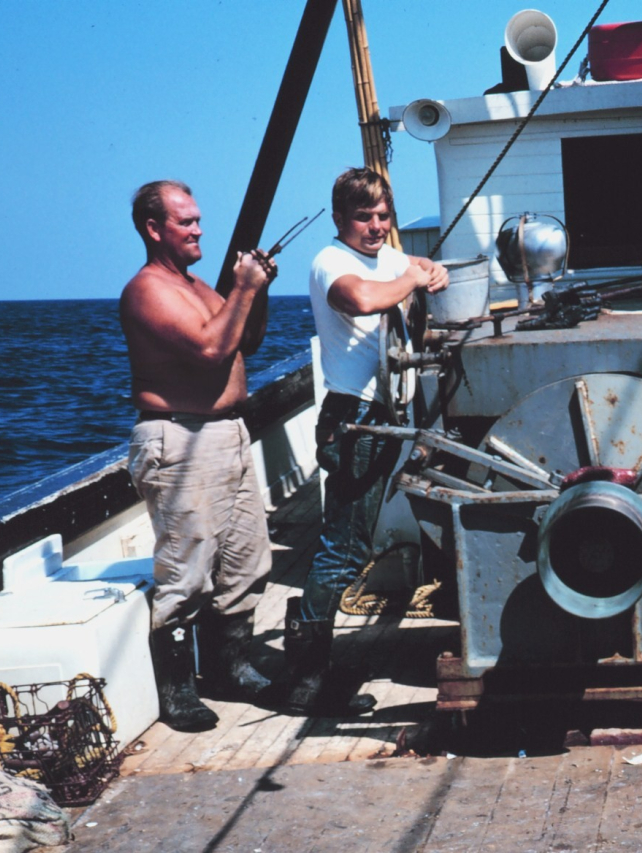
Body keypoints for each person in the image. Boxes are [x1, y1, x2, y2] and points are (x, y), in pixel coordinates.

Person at [287, 167, 448, 715]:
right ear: (339, 219)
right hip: (351, 417)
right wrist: (413, 278)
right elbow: (359, 300)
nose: (376, 226)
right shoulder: (331, 261)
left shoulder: (386, 258)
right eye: (363, 217)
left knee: (351, 546)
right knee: (342, 548)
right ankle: (308, 681)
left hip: (380, 413)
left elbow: (421, 268)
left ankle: (309, 668)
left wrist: (433, 271)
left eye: (383, 216)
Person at [120, 180, 278, 731]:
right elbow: (212, 350)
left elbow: (244, 341)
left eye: (197, 219)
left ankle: (230, 668)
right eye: (185, 221)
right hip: (181, 441)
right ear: (153, 228)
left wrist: (254, 291)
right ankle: (178, 691)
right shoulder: (148, 289)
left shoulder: (198, 286)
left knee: (244, 561)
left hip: (228, 435)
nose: (198, 229)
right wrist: (241, 287)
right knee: (185, 575)